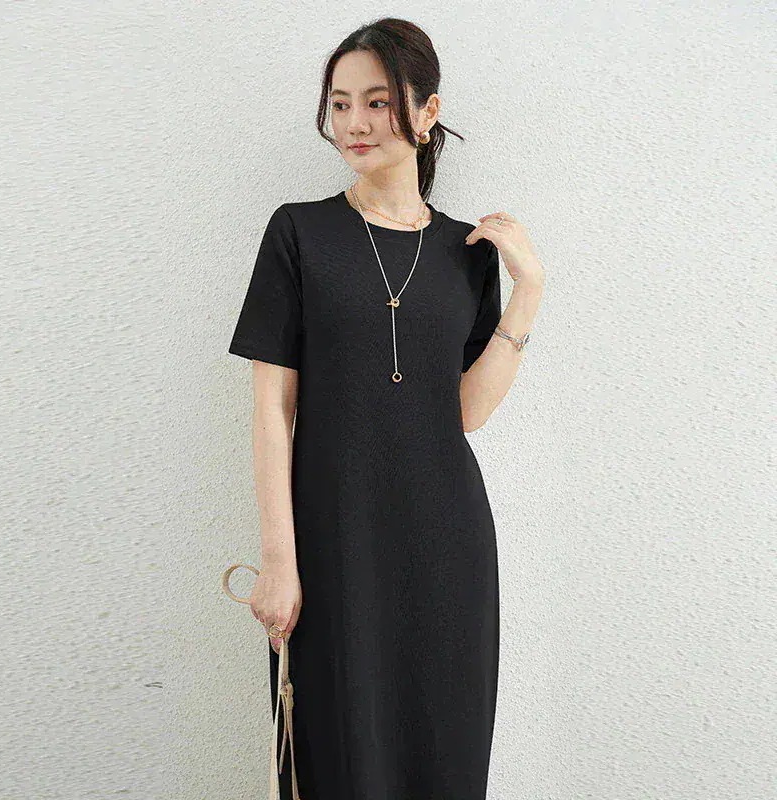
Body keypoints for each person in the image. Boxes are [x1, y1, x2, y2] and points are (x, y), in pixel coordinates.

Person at [227, 17, 544, 800]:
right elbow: (271, 409)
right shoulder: (298, 232)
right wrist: (279, 559)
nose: (355, 123)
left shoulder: (469, 253)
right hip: (332, 543)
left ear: (427, 112)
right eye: (340, 104)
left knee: (442, 759)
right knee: (336, 758)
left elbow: (465, 412)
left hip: (446, 547)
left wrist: (528, 293)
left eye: (377, 101)